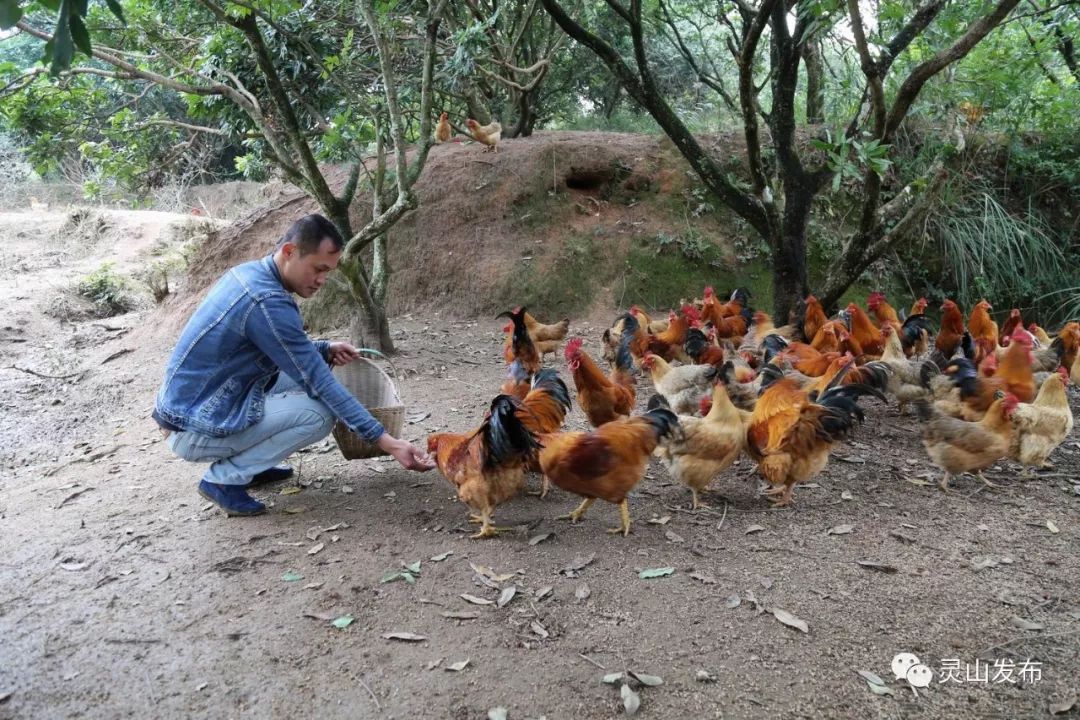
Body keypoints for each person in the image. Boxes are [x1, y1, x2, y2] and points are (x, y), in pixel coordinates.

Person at [153, 213, 434, 516]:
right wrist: (388, 442)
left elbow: (277, 349)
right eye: (318, 268)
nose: (322, 280)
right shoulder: (267, 302)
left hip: (192, 406)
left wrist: (324, 350)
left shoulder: (248, 275)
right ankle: (224, 480)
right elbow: (319, 383)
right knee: (319, 413)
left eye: (328, 272)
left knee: (315, 377)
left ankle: (251, 467)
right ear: (289, 252)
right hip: (192, 427)